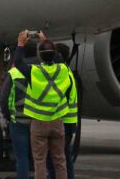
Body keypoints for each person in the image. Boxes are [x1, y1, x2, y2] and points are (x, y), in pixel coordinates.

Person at [15, 30, 70, 179]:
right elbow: (58, 59)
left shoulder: (35, 72)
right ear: (54, 54)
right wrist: (45, 40)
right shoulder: (63, 70)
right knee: (60, 161)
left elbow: (19, 63)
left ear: (40, 55)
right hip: (57, 121)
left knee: (40, 161)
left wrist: (20, 43)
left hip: (39, 122)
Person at [48, 43, 77, 179]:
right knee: (63, 157)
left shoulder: (62, 72)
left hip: (63, 121)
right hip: (68, 121)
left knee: (58, 158)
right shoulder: (67, 71)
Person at [0, 61, 31, 178]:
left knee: (21, 157)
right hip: (39, 119)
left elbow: (3, 99)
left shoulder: (14, 72)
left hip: (18, 120)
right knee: (41, 157)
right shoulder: (42, 71)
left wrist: (7, 115)